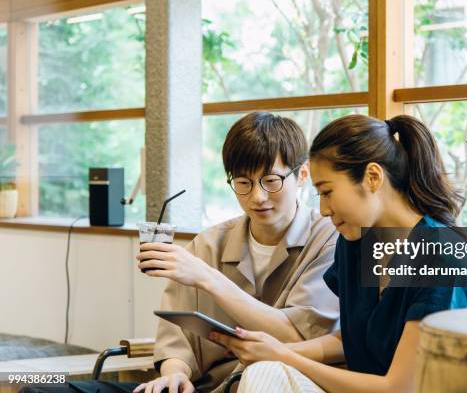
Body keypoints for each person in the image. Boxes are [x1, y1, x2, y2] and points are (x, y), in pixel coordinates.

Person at [20, 112, 339, 393]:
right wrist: (174, 375)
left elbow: (297, 333)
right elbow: (176, 337)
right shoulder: (209, 243)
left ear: (303, 175)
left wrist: (208, 279)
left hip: (269, 385)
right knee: (43, 390)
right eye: (243, 183)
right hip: (202, 388)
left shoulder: (328, 239)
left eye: (271, 181)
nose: (257, 196)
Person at [210, 114, 467, 393]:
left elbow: (398, 388)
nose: (323, 209)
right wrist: (275, 350)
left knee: (270, 372)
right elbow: (355, 339)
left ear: (372, 177)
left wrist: (285, 356)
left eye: (327, 192)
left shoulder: (443, 260)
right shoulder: (356, 242)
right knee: (265, 372)